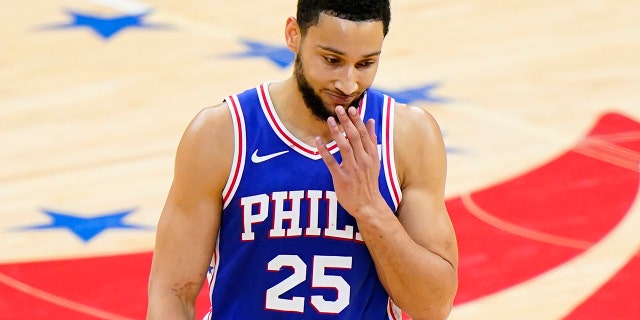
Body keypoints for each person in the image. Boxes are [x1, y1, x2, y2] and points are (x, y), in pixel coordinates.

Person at [146, 0, 458, 319]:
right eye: (332, 60)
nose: (348, 83)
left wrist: (370, 208)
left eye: (365, 64)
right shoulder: (222, 134)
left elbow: (432, 306)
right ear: (293, 35)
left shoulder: (407, 137)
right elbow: (171, 292)